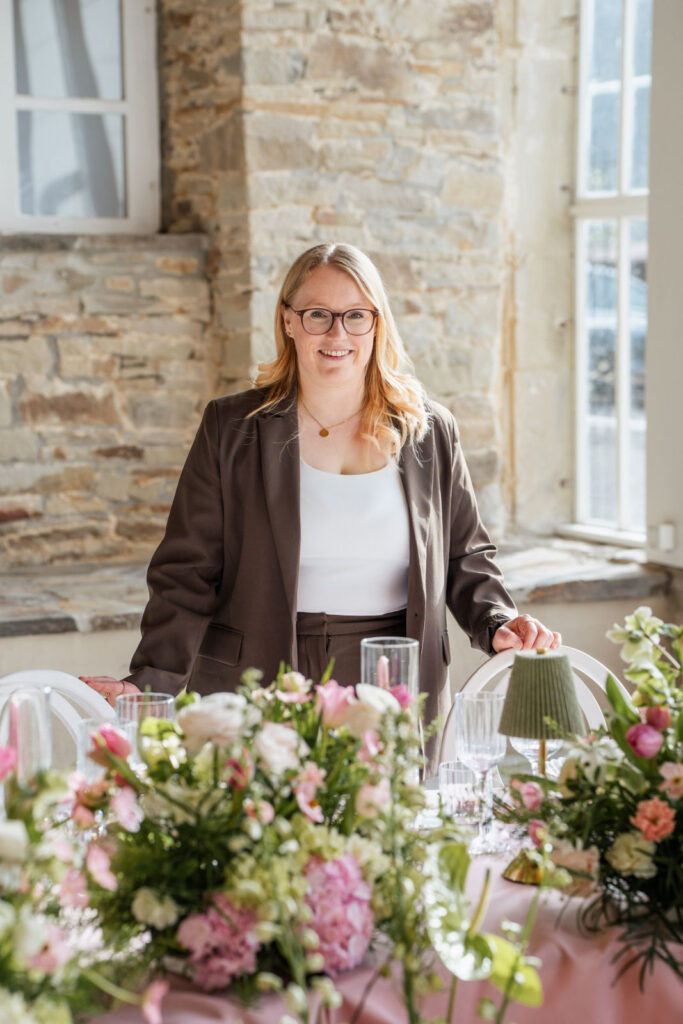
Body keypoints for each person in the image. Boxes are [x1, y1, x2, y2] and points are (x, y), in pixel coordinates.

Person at [82, 243, 560, 766]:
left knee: (390, 838)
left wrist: (498, 623)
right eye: (318, 316)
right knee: (271, 837)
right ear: (289, 321)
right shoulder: (232, 429)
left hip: (394, 678)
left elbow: (465, 557)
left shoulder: (429, 430)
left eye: (356, 315)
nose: (338, 334)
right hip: (260, 675)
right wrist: (150, 681)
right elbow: (186, 573)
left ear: (377, 324)